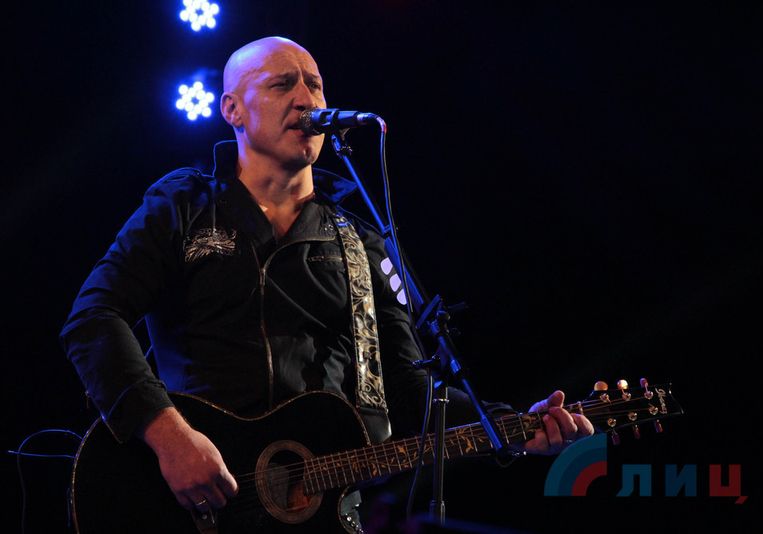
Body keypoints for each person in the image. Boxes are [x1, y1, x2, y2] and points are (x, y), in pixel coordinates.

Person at [60, 36, 593, 529]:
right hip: (195, 503)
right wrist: (169, 437)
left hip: (318, 511)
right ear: (232, 110)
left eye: (314, 84)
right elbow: (93, 318)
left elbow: (409, 389)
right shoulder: (183, 206)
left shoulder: (359, 238)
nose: (305, 98)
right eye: (282, 84)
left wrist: (511, 426)